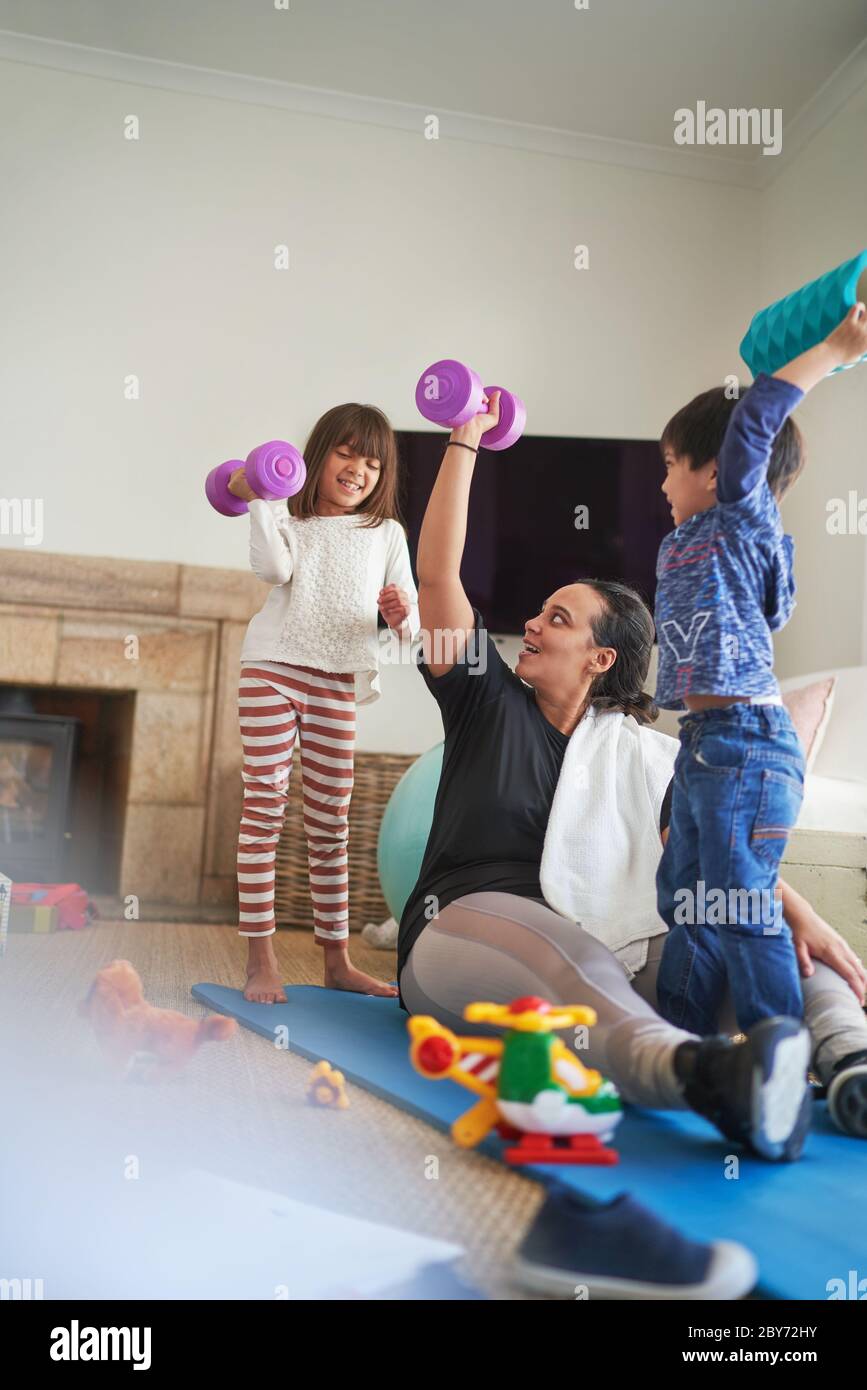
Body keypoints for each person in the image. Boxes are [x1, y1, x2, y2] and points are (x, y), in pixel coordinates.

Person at [397, 392, 867, 1161]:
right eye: (539, 612)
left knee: (773, 941)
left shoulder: (643, 751)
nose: (535, 624)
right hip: (461, 932)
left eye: (558, 618)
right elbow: (437, 572)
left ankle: (849, 1062)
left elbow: (708, 832)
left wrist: (796, 910)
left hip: (601, 952)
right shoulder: (484, 697)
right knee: (568, 960)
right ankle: (704, 1080)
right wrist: (463, 443)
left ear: (601, 658)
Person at [654, 303, 867, 1037]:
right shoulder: (695, 537)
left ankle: (776, 1058)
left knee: (742, 903)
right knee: (684, 893)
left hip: (746, 742)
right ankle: (684, 1042)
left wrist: (831, 351)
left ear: (716, 473)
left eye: (669, 467)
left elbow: (754, 424)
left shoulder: (739, 518)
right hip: (704, 739)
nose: (661, 485)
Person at [229, 404, 418, 1003]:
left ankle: (336, 961)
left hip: (337, 680)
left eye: (372, 461)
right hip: (273, 668)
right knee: (264, 807)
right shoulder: (289, 517)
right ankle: (261, 959)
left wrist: (399, 616)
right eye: (345, 453)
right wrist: (261, 497)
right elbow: (273, 569)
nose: (357, 469)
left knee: (330, 821)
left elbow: (410, 621)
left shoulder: (387, 534)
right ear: (318, 455)